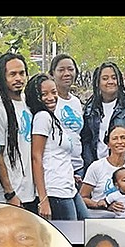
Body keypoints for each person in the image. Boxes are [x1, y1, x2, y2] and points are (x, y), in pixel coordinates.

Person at [26, 73, 87, 220]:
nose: (51, 97)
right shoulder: (42, 117)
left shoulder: (53, 118)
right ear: (36, 97)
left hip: (68, 187)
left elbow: (55, 154)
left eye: (54, 92)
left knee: (85, 227)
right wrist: (43, 199)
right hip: (55, 190)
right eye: (44, 94)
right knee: (71, 238)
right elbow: (36, 157)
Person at [0, 53, 37, 213]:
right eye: (12, 74)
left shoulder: (27, 103)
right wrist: (10, 193)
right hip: (11, 197)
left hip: (31, 192)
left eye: (22, 73)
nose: (18, 78)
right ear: (3, 77)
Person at [81, 61, 125, 169]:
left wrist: (118, 165)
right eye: (105, 78)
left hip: (123, 169)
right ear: (98, 82)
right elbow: (86, 140)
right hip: (96, 167)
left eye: (114, 78)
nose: (110, 81)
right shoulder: (90, 109)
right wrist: (92, 165)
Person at [80, 125, 125, 218]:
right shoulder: (96, 166)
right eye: (115, 138)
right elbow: (83, 197)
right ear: (108, 144)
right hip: (101, 217)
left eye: (123, 138)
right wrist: (101, 205)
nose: (120, 142)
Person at [48, 53, 85, 185]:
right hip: (58, 170)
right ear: (52, 73)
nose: (67, 73)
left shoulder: (76, 102)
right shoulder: (49, 101)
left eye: (70, 69)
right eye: (61, 70)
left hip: (78, 166)